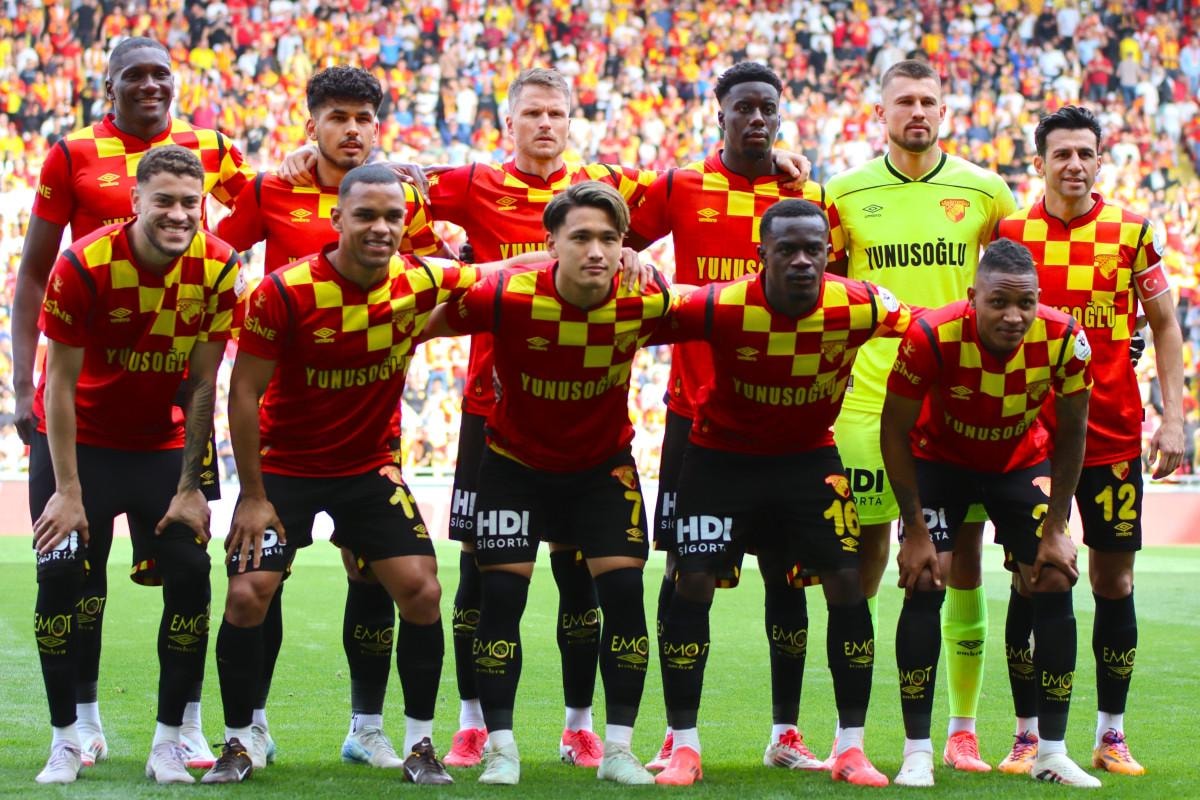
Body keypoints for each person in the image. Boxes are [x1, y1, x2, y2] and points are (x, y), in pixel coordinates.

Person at [202, 163, 491, 784]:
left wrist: (608, 259)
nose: (381, 227)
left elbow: (501, 272)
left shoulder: (419, 278)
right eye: (366, 215)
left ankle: (419, 746)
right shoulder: (283, 291)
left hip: (367, 469)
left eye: (393, 216)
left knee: (422, 591)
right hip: (285, 468)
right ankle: (238, 743)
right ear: (337, 219)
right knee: (248, 594)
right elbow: (242, 392)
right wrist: (252, 496)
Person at [13, 36, 253, 770]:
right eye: (163, 203)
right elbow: (56, 376)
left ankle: (173, 736)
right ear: (133, 203)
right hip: (82, 434)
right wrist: (66, 486)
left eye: (190, 204)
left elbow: (205, 384)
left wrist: (192, 484)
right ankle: (70, 733)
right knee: (65, 576)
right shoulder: (83, 259)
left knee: (190, 573)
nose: (178, 214)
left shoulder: (220, 264)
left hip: (162, 438)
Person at [651, 198, 906, 788]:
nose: (801, 261)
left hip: (808, 460)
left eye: (813, 250)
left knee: (846, 583)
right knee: (691, 583)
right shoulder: (720, 304)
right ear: (760, 255)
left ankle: (850, 748)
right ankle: (683, 746)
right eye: (786, 250)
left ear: (828, 254)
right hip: (719, 459)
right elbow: (636, 320)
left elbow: (925, 323)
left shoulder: (861, 303)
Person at [625, 61, 830, 773]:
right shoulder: (682, 186)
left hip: (785, 421)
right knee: (687, 574)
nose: (757, 118)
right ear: (720, 113)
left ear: (781, 112)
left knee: (787, 576)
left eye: (767, 107)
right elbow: (616, 233)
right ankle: (677, 735)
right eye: (744, 107)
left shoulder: (807, 196)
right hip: (697, 417)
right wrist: (634, 262)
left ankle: (786, 734)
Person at [431, 181, 671, 786]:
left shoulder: (646, 298)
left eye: (609, 239)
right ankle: (501, 749)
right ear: (551, 244)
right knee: (500, 600)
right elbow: (419, 319)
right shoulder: (505, 295)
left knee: (624, 597)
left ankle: (618, 750)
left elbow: (725, 309)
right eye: (580, 237)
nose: (595, 251)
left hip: (602, 471)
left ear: (624, 246)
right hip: (514, 469)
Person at [826, 58, 1016, 769]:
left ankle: (962, 729)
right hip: (868, 400)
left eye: (927, 100)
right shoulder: (843, 193)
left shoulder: (986, 191)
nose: (917, 111)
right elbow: (823, 292)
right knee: (864, 561)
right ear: (880, 113)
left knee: (961, 561)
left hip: (957, 404)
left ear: (944, 110)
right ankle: (852, 737)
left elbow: (1018, 290)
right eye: (903, 100)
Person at [995, 105, 1186, 777]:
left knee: (1114, 580)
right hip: (1030, 442)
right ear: (1039, 163)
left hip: (1110, 436)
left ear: (1101, 160)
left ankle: (1111, 735)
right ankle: (1026, 737)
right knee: (1032, 578)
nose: (1074, 164)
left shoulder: (1132, 231)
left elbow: (1164, 325)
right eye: (1062, 153)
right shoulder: (1010, 234)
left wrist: (1172, 417)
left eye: (1085, 153)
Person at [880, 238, 1099, 788]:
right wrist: (913, 529)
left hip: (1017, 461)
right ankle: (916, 752)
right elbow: (894, 429)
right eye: (999, 302)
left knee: (1055, 574)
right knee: (927, 577)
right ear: (973, 296)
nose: (1014, 316)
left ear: (1039, 299)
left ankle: (1051, 752)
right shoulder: (930, 335)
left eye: (1026, 302)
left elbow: (1074, 432)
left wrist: (1057, 526)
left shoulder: (1066, 339)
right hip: (939, 461)